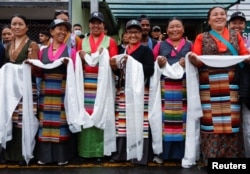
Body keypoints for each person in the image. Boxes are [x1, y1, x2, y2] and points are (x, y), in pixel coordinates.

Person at [188, 6, 249, 167]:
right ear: (209, 20)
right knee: (210, 122)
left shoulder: (236, 36)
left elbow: (244, 56)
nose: (219, 17)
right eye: (215, 15)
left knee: (233, 123)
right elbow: (197, 60)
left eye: (222, 14)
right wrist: (191, 59)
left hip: (232, 84)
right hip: (209, 85)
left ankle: (232, 161)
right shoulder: (202, 37)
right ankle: (212, 159)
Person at [110, 19, 154, 165]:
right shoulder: (122, 50)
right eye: (130, 32)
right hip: (123, 91)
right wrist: (114, 67)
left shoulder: (146, 50)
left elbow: (150, 69)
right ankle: (122, 154)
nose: (133, 35)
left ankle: (139, 156)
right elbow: (119, 73)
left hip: (140, 92)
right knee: (123, 124)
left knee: (140, 123)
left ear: (141, 34)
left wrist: (132, 63)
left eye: (136, 32)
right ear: (126, 34)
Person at [77, 11, 118, 162]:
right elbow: (78, 63)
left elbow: (114, 63)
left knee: (102, 112)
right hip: (86, 81)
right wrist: (80, 57)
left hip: (104, 83)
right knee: (87, 112)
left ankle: (99, 151)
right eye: (93, 22)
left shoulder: (110, 42)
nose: (95, 25)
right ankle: (85, 151)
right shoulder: (83, 41)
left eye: (98, 23)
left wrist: (105, 53)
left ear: (103, 25)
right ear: (89, 25)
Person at [35, 19, 74, 166]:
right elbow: (39, 72)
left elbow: (76, 72)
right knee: (45, 123)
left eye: (65, 30)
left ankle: (61, 156)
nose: (62, 32)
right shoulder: (42, 51)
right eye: (59, 29)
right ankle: (45, 157)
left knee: (60, 123)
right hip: (46, 89)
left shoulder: (71, 51)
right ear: (51, 31)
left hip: (62, 89)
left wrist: (69, 65)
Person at [2, 14, 39, 166]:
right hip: (10, 88)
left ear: (26, 27)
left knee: (23, 121)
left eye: (20, 24)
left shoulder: (32, 45)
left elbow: (36, 69)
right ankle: (9, 154)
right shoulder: (8, 45)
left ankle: (23, 153)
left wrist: (30, 62)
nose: (16, 27)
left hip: (26, 88)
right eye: (14, 24)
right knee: (9, 118)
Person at [153, 17, 191, 161]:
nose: (175, 30)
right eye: (172, 27)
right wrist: (159, 62)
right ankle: (165, 154)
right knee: (165, 120)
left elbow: (196, 63)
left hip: (184, 89)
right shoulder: (160, 45)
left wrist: (188, 62)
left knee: (184, 121)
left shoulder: (189, 45)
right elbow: (153, 63)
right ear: (167, 30)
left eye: (178, 26)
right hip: (165, 89)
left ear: (183, 29)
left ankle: (183, 154)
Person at [229, 11, 250, 158]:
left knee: (246, 120)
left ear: (244, 25)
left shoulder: (248, 41)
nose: (237, 25)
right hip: (228, 83)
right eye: (234, 22)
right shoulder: (224, 39)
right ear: (229, 24)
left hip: (246, 84)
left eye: (240, 22)